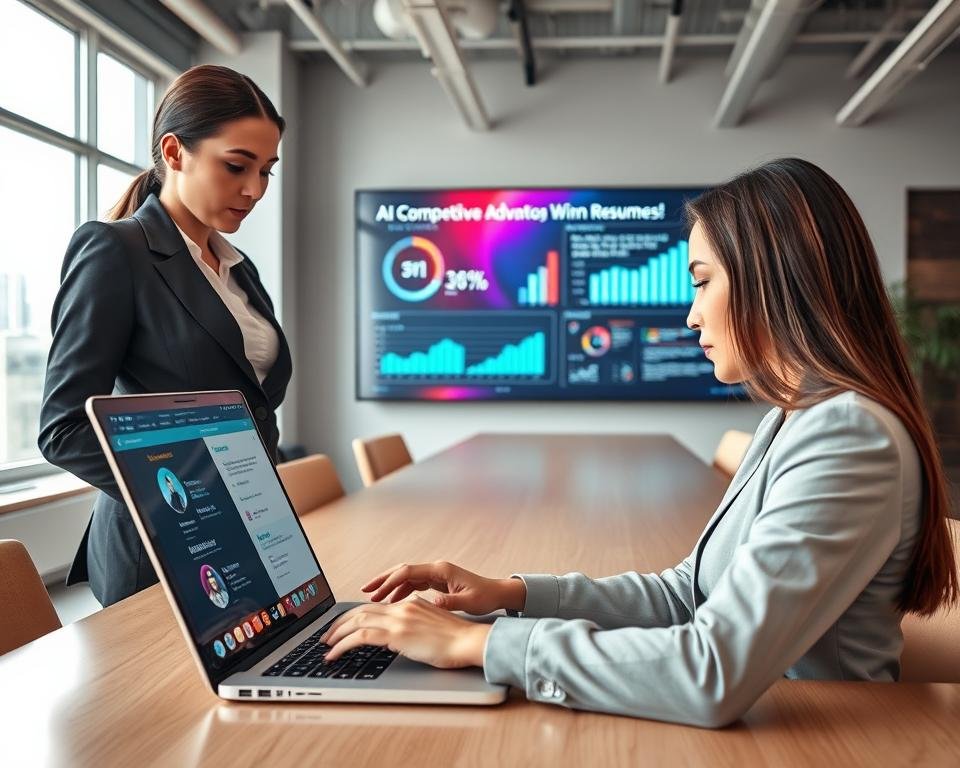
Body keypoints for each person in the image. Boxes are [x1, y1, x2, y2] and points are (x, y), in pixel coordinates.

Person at [318, 158, 959, 727]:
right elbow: (688, 596)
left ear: (772, 279)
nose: (691, 313)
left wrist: (477, 645)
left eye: (702, 281)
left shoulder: (847, 436)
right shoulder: (793, 419)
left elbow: (713, 671)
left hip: (823, 740)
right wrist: (512, 595)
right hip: (780, 721)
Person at [38, 65, 292, 607]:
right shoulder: (115, 250)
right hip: (158, 548)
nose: (255, 190)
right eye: (236, 166)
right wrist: (189, 498)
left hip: (243, 538)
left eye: (266, 171)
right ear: (174, 152)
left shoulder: (238, 269)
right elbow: (63, 429)